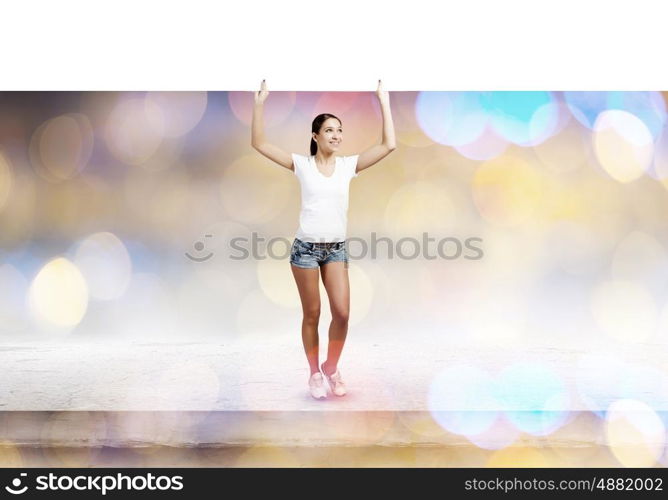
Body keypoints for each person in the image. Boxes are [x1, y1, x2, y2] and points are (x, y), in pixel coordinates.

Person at [251, 79, 396, 399]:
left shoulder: (348, 166)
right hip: (305, 250)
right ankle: (315, 374)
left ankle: (332, 367)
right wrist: (259, 103)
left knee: (342, 313)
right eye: (330, 130)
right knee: (312, 314)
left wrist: (383, 100)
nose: (336, 136)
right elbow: (260, 144)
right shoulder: (301, 164)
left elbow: (388, 146)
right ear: (315, 136)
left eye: (339, 131)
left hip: (336, 250)